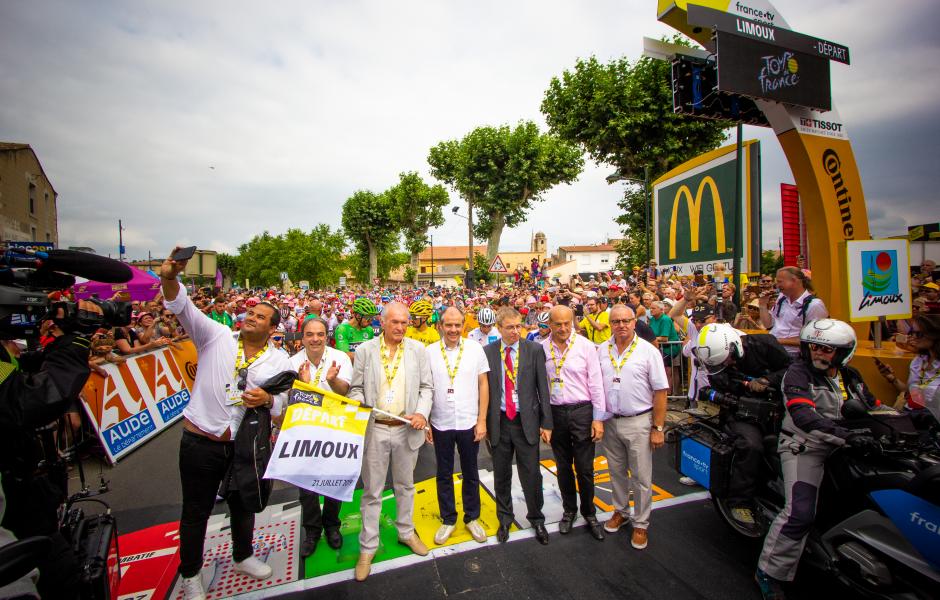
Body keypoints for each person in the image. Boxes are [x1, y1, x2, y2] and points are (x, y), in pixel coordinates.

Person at [160, 249, 292, 600]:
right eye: (249, 312)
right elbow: (181, 306)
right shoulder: (214, 336)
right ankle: (191, 574)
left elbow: (281, 405)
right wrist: (170, 277)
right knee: (195, 512)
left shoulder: (279, 360)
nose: (251, 317)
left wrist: (266, 400)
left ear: (272, 328)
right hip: (200, 442)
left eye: (260, 316)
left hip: (242, 444)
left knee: (242, 504)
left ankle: (243, 555)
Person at [755, 319, 879, 599]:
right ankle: (769, 571)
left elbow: (873, 407)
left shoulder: (852, 376)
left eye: (828, 349)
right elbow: (804, 416)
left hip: (847, 447)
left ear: (844, 352)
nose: (820, 354)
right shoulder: (798, 374)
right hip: (804, 446)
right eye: (815, 347)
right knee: (799, 513)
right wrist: (845, 436)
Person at [346, 302, 433, 581]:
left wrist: (421, 412)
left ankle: (406, 532)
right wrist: (359, 402)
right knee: (372, 491)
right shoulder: (364, 351)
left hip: (407, 429)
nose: (400, 327)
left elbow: (427, 388)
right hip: (376, 429)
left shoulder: (418, 350)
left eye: (404, 323)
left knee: (405, 486)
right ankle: (367, 547)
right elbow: (356, 388)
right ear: (382, 323)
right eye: (395, 322)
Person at [694, 324, 791, 525]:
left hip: (780, 408)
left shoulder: (765, 345)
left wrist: (767, 380)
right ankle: (739, 502)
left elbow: (792, 369)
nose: (726, 364)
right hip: (742, 412)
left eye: (727, 359)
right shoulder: (715, 363)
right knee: (751, 446)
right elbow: (720, 386)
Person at [596, 304, 669, 550]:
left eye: (626, 320)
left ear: (634, 322)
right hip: (610, 421)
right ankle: (620, 511)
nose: (621, 325)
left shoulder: (649, 352)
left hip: (639, 421)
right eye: (616, 321)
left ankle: (641, 523)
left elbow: (660, 392)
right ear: (610, 324)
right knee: (616, 471)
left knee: (641, 477)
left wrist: (658, 428)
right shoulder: (601, 350)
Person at [483, 307, 553, 545]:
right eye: (510, 327)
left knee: (531, 474)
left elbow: (543, 388)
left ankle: (536, 518)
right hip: (500, 422)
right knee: (501, 474)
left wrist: (547, 422)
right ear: (499, 328)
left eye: (518, 326)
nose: (515, 331)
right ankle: (504, 518)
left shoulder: (534, 350)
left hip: (527, 422)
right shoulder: (489, 352)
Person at [287, 317, 353, 557]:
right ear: (302, 337)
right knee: (307, 488)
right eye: (310, 334)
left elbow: (345, 392)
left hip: (335, 429)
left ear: (327, 336)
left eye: (320, 334)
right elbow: (289, 400)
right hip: (305, 433)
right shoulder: (292, 363)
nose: (315, 339)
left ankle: (332, 526)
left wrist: (332, 380)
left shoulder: (340, 358)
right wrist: (304, 385)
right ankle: (312, 531)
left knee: (334, 482)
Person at [425, 307, 490, 545]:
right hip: (440, 422)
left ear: (464, 325)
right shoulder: (430, 352)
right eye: (448, 325)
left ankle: (472, 517)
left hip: (468, 421)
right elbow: (426, 388)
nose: (453, 330)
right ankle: (448, 519)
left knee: (471, 472)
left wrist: (482, 419)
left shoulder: (474, 349)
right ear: (440, 325)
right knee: (443, 473)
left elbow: (483, 384)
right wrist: (427, 421)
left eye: (457, 325)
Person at [541, 305, 605, 540]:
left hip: (582, 411)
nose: (563, 328)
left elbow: (596, 384)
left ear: (573, 322)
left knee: (585, 468)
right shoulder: (541, 349)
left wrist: (598, 419)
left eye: (567, 323)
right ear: (550, 325)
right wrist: (544, 421)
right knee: (563, 466)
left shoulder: (586, 347)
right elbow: (540, 388)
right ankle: (569, 510)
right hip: (556, 413)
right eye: (557, 324)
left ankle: (590, 512)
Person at [878, 314, 940, 421]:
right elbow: (910, 392)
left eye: (919, 334)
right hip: (910, 415)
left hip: (932, 420)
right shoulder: (918, 361)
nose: (913, 337)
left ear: (934, 335)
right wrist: (893, 379)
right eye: (912, 333)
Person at [758, 267, 828, 357]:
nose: (777, 285)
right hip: (773, 349)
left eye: (780, 282)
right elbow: (768, 325)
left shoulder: (814, 305)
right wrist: (762, 305)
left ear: (794, 281)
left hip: (793, 354)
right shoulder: (782, 299)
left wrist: (776, 340)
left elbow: (814, 339)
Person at [334, 297, 378, 362]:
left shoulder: (369, 330)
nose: (370, 321)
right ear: (358, 316)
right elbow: (345, 356)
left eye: (372, 318)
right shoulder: (342, 329)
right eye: (368, 318)